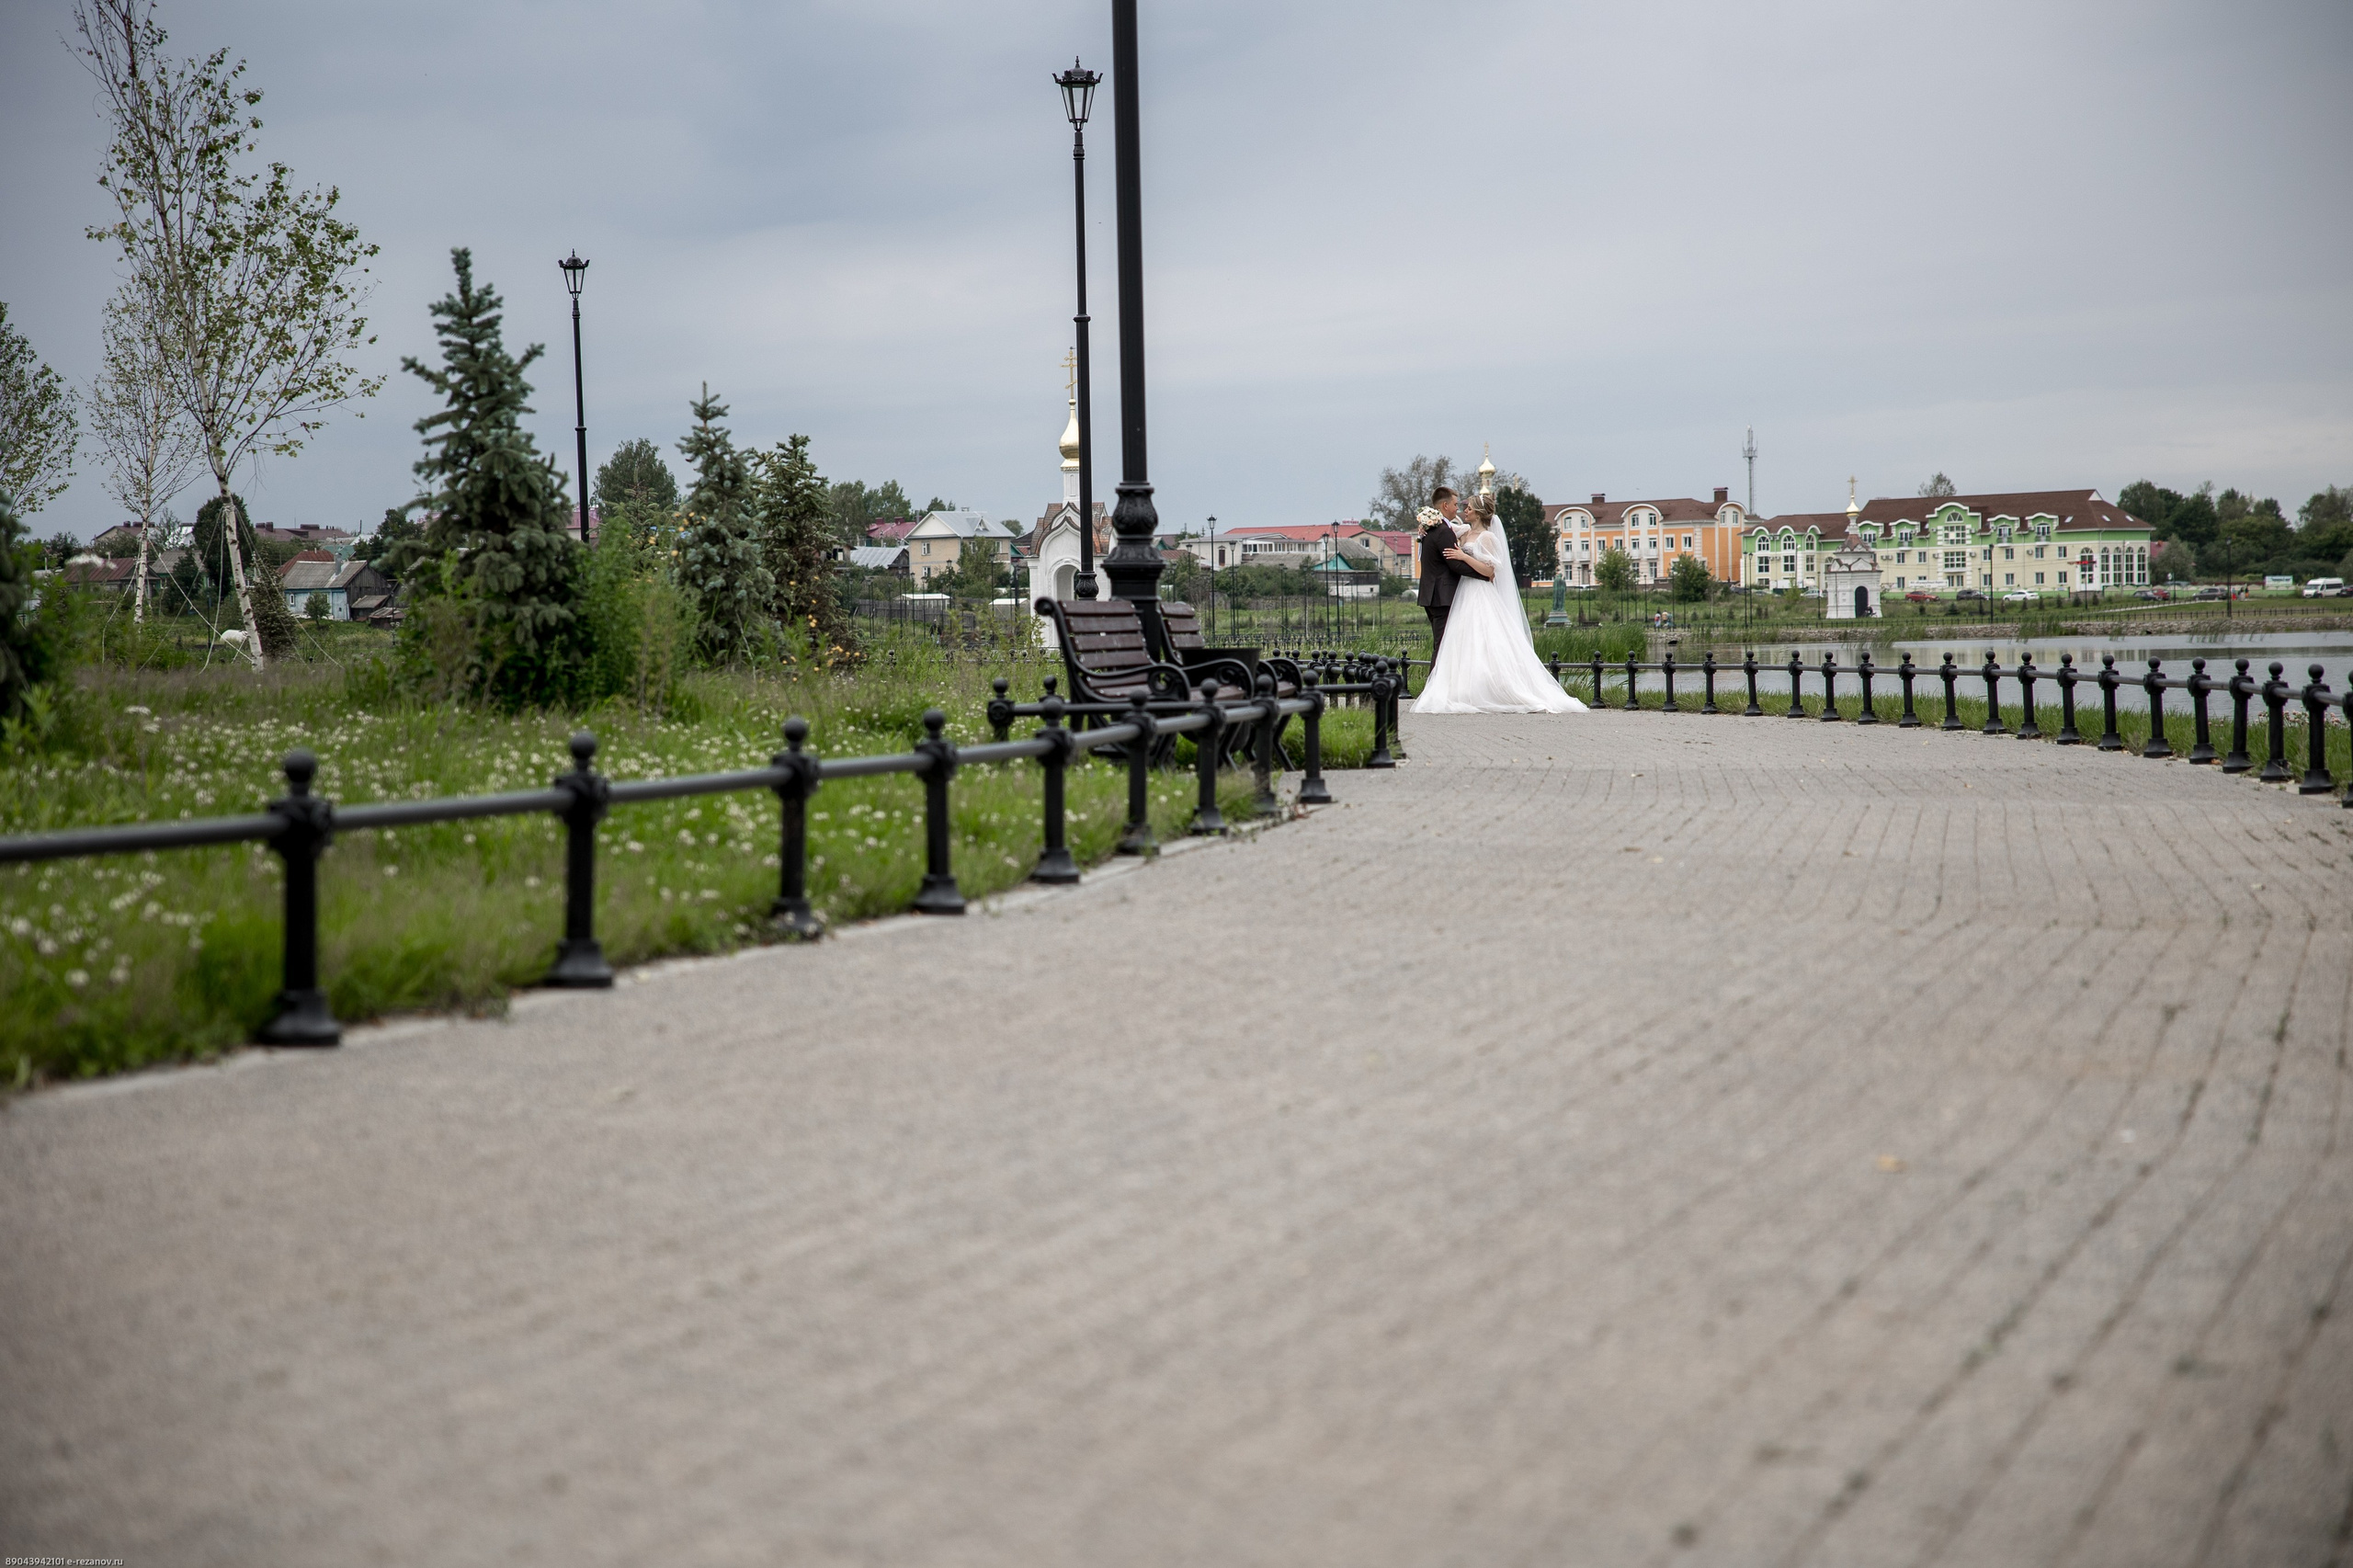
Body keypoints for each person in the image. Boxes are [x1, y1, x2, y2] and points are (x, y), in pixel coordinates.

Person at [1413, 493, 1588, 714]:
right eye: (1462, 507)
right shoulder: (1465, 532)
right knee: (1462, 641)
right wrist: (1423, 528)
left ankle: (1492, 689)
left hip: (1480, 592)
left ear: (1478, 512)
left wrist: (1464, 557)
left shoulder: (1487, 538)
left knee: (1484, 640)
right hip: (1463, 593)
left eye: (1468, 508)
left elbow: (1490, 571)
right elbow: (1442, 528)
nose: (1464, 511)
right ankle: (1462, 689)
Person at [1415, 487, 1474, 655]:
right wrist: (1483, 574)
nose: (1458, 509)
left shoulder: (1430, 529)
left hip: (1432, 594)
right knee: (1443, 647)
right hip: (1443, 596)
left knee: (1443, 645)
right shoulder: (1443, 531)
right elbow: (1454, 565)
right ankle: (1435, 682)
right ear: (1446, 505)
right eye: (1455, 504)